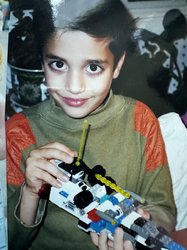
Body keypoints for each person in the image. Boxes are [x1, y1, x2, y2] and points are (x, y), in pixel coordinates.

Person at [6, 1, 176, 250]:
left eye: (93, 67)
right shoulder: (17, 132)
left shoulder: (141, 119)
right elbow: (10, 243)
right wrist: (30, 193)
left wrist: (147, 226)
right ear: (43, 61)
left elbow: (165, 212)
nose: (75, 86)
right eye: (59, 64)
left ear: (117, 66)